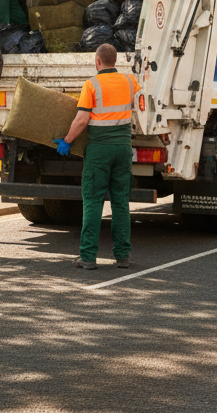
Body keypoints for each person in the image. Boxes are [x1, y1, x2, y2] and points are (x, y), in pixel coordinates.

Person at [55, 44, 140, 270]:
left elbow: (82, 119)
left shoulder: (91, 85)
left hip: (99, 150)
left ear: (98, 61)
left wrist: (67, 140)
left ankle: (88, 257)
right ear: (115, 61)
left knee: (93, 201)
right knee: (121, 203)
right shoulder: (130, 81)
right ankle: (123, 256)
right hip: (123, 148)